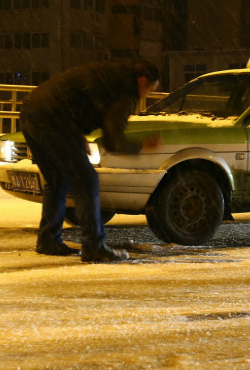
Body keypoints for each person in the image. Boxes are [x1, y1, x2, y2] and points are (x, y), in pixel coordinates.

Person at [20, 59, 161, 262]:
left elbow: (75, 99)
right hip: (51, 120)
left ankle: (48, 239)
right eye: (150, 90)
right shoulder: (126, 92)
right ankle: (94, 247)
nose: (147, 96)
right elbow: (113, 141)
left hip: (32, 110)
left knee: (57, 179)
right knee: (87, 181)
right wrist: (142, 145)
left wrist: (76, 136)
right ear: (142, 81)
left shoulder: (112, 74)